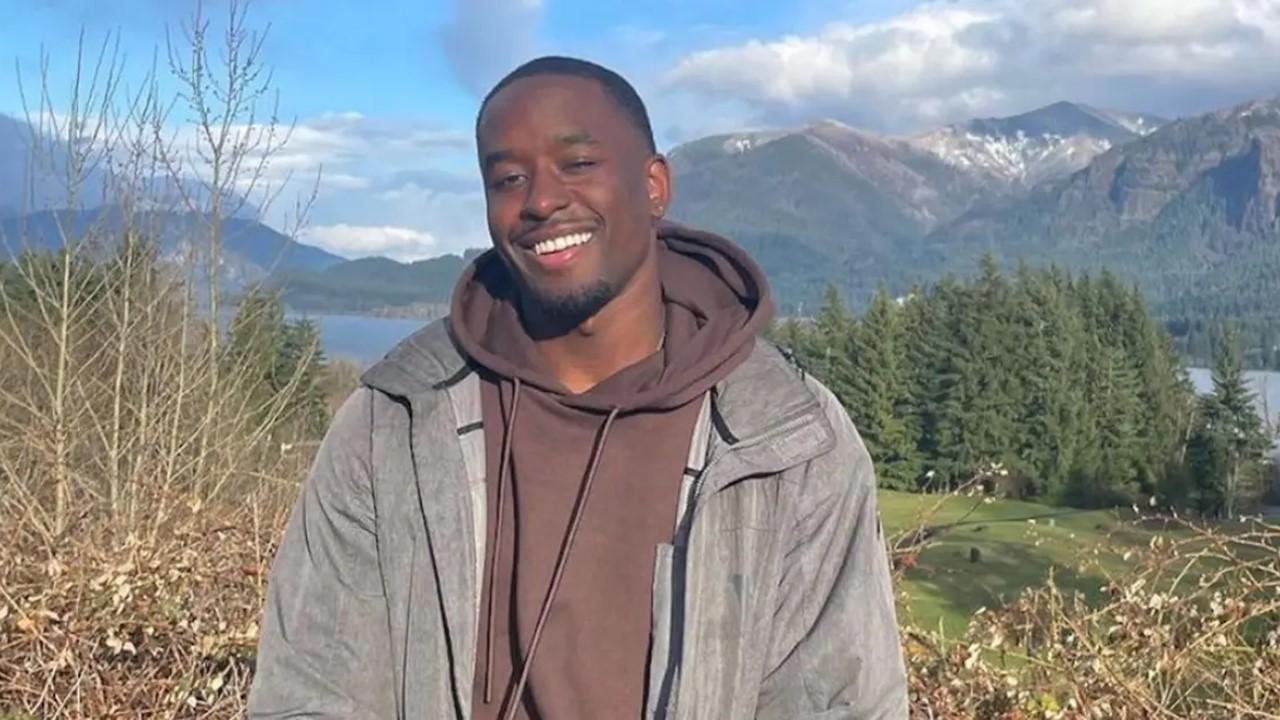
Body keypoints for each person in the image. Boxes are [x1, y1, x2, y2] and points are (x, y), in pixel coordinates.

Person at [247, 56, 908, 720]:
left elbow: (841, 702)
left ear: (654, 187)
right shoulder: (394, 422)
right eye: (508, 177)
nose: (539, 199)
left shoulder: (787, 438)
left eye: (579, 163)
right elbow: (312, 691)